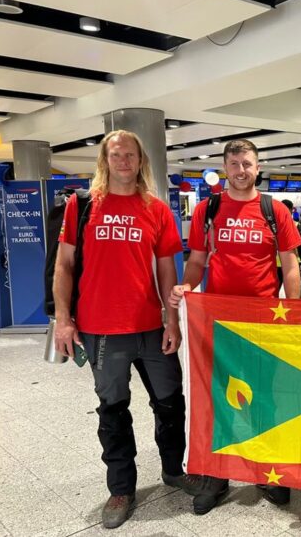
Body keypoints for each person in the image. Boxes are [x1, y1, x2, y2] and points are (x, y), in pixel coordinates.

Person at [53, 130, 205, 529]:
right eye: (116, 155)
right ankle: (121, 488)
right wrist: (63, 319)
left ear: (141, 160)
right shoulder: (82, 206)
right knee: (113, 411)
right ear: (105, 161)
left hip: (151, 326)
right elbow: (64, 265)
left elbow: (167, 267)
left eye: (131, 155)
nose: (124, 161)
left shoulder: (155, 209)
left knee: (171, 403)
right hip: (102, 330)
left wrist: (172, 319)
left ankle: (175, 468)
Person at [169, 138, 301, 513]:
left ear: (257, 168)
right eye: (234, 164)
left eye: (247, 164)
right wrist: (188, 285)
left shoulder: (274, 211)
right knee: (218, 400)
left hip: (264, 322)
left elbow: (289, 264)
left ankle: (265, 468)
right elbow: (196, 261)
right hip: (217, 325)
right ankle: (217, 475)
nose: (241, 171)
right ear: (224, 168)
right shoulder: (208, 210)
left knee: (265, 397)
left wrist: (294, 311)